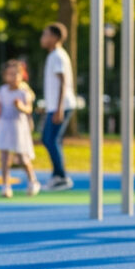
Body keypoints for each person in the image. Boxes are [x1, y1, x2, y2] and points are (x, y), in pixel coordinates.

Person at [0, 59, 41, 198]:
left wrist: (21, 107)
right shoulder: (2, 91)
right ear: (5, 76)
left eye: (15, 74)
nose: (12, 77)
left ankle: (32, 181)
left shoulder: (24, 92)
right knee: (4, 158)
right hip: (5, 125)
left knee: (22, 158)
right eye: (9, 74)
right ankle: (5, 185)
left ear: (21, 75)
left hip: (18, 126)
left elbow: (29, 109)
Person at [39, 23, 75, 190]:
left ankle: (61, 176)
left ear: (55, 37)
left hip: (61, 105)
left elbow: (63, 83)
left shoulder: (58, 56)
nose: (43, 38)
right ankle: (57, 175)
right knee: (49, 139)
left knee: (50, 139)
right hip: (54, 105)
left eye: (45, 35)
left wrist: (59, 108)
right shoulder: (53, 55)